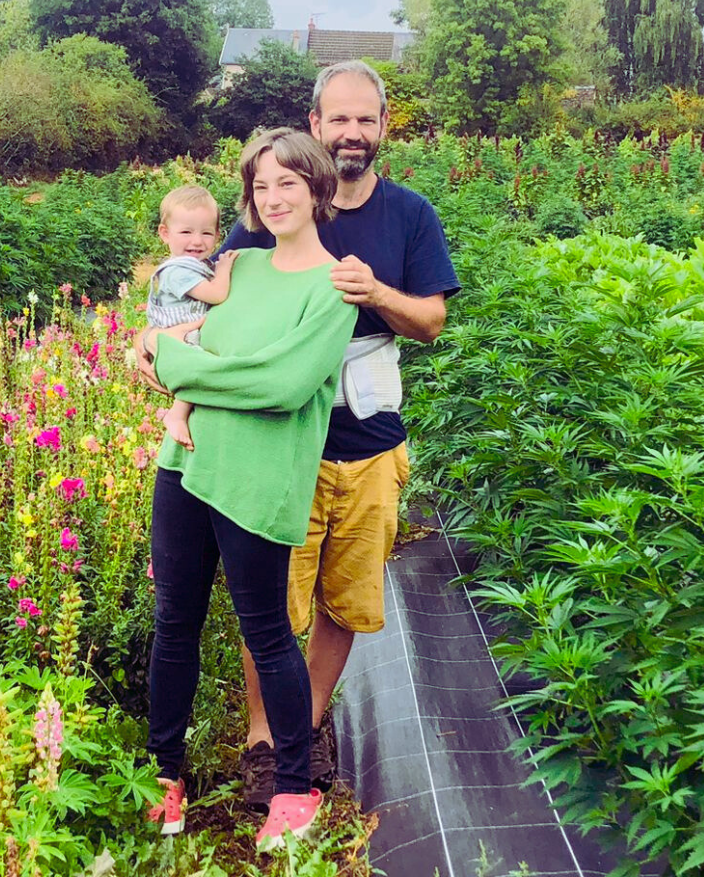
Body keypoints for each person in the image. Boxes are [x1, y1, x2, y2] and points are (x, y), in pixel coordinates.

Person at [217, 61, 459, 809]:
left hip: (373, 443)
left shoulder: (409, 214)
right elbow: (221, 302)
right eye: (338, 119)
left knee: (343, 601)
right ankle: (266, 741)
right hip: (283, 443)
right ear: (315, 125)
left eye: (367, 119)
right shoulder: (276, 210)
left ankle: (308, 723)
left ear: (383, 129)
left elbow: (431, 322)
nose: (352, 133)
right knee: (271, 605)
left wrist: (375, 292)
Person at [136, 128, 358, 850]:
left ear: (319, 189)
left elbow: (281, 383)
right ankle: (164, 773)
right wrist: (164, 354)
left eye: (289, 182)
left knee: (267, 634)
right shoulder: (239, 266)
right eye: (262, 186)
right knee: (176, 623)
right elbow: (183, 335)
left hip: (258, 479)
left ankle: (294, 787)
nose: (274, 197)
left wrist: (174, 369)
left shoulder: (336, 287)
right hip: (186, 464)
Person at [145, 184, 236, 449]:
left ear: (218, 235)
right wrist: (226, 267)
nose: (197, 241)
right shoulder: (177, 271)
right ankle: (177, 413)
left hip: (181, 333)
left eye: (206, 233)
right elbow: (217, 294)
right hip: (180, 337)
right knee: (200, 362)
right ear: (165, 233)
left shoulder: (193, 265)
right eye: (186, 232)